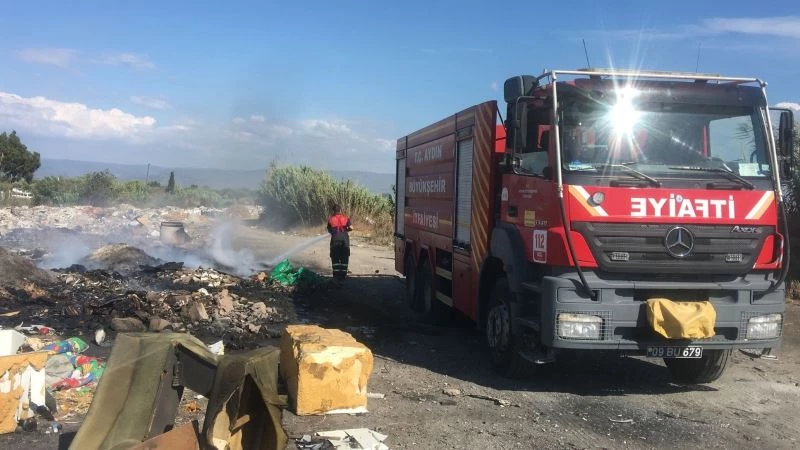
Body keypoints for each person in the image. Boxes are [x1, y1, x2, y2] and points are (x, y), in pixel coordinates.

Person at [326, 204, 352, 280]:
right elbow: (351, 228)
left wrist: (334, 232)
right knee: (344, 256)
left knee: (335, 257)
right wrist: (346, 230)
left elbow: (329, 230)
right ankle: (343, 275)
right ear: (340, 210)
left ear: (333, 211)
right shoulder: (346, 218)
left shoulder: (331, 219)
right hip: (345, 239)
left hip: (335, 239)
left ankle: (336, 275)